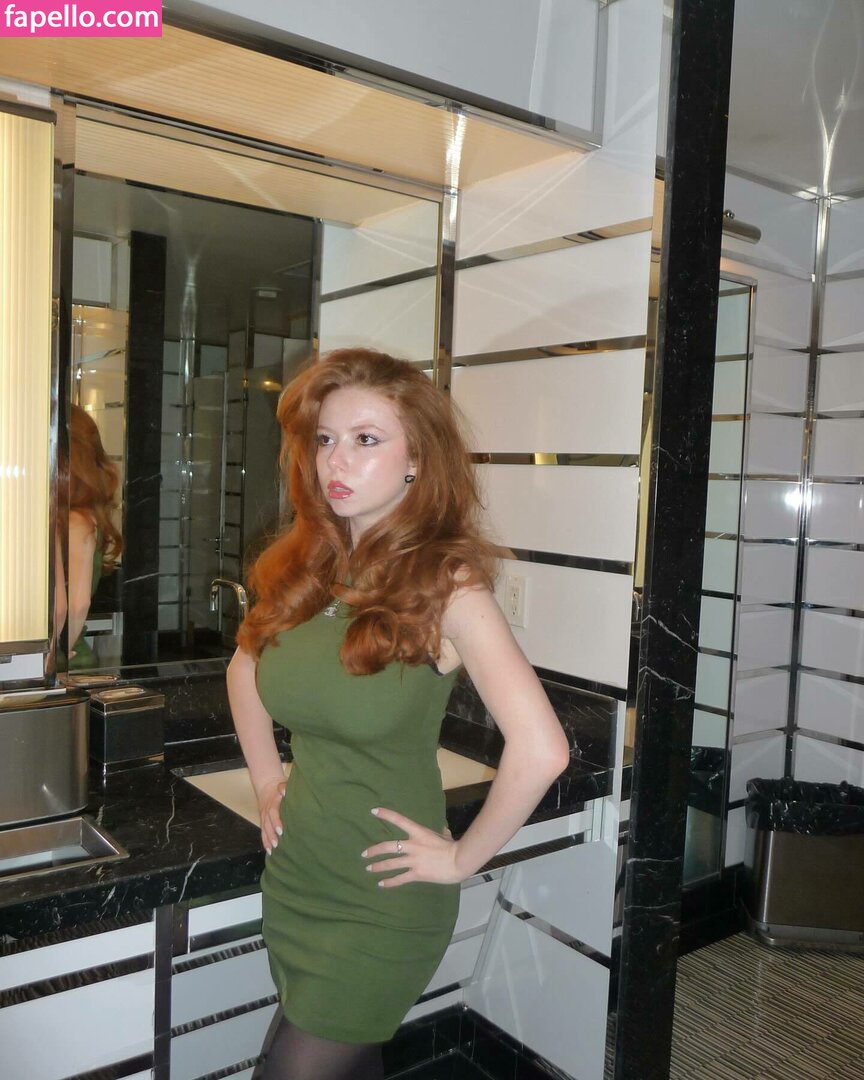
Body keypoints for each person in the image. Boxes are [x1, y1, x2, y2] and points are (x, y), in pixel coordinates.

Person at [227, 348, 570, 1080]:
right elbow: (244, 671)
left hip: (383, 897)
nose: (336, 460)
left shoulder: (448, 586)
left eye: (366, 439)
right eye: (326, 438)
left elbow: (543, 749)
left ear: (417, 458)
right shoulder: (305, 570)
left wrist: (463, 857)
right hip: (301, 876)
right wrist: (265, 780)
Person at [55, 404, 122, 669]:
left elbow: (75, 604)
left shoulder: (75, 520)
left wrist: (56, 653)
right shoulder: (77, 518)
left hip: (69, 664)